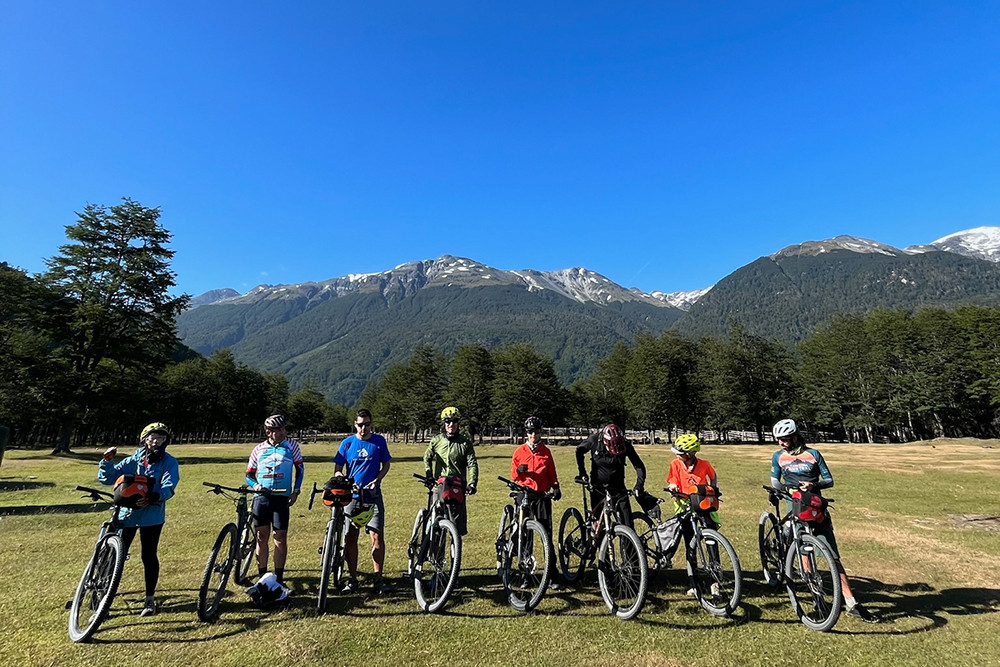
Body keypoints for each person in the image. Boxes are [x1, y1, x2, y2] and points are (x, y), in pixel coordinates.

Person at [770, 418, 879, 623]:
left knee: (832, 554)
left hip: (814, 505)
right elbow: (775, 481)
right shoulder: (778, 457)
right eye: (779, 440)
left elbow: (829, 480)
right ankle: (816, 596)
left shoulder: (813, 454)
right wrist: (787, 490)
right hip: (793, 504)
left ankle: (851, 603)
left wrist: (813, 485)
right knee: (804, 552)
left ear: (795, 437)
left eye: (784, 439)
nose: (780, 443)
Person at [98, 422, 180, 617]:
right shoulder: (132, 460)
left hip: (152, 516)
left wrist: (155, 496)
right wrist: (107, 461)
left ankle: (150, 599)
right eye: (153, 437)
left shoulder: (169, 461)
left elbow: (170, 484)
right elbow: (109, 478)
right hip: (126, 516)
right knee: (115, 556)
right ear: (144, 439)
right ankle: (102, 596)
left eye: (161, 438)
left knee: (148, 556)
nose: (156, 441)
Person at [333, 408, 392, 595]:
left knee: (377, 536)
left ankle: (378, 578)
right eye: (360, 424)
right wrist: (342, 478)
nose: (363, 428)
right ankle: (352, 578)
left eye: (367, 424)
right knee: (351, 536)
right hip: (352, 497)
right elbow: (338, 468)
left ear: (371, 424)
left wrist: (378, 479)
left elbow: (386, 464)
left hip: (373, 496)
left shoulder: (379, 442)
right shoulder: (347, 443)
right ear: (355, 424)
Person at [246, 414, 304, 586]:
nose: (282, 432)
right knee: (261, 536)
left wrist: (296, 491)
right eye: (278, 430)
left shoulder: (291, 445)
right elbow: (249, 474)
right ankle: (262, 576)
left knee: (280, 536)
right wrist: (255, 486)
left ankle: (279, 578)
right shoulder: (258, 449)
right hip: (261, 498)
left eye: (283, 429)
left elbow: (300, 469)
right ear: (268, 432)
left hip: (281, 497)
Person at [666, 433, 720, 597]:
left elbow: (713, 476)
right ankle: (693, 582)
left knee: (712, 543)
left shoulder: (704, 464)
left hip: (703, 506)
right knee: (690, 544)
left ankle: (715, 582)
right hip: (683, 507)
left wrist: (712, 490)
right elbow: (672, 480)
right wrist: (673, 486)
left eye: (680, 452)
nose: (677, 454)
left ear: (689, 454)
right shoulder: (675, 464)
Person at [511, 415, 561, 586]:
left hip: (541, 495)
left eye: (537, 432)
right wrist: (519, 470)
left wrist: (555, 486)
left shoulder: (546, 452)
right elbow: (513, 476)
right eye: (531, 432)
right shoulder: (519, 452)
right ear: (527, 433)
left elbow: (552, 472)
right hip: (525, 494)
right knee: (525, 536)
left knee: (546, 535)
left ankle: (552, 574)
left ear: (540, 433)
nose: (534, 435)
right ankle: (525, 574)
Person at [575, 423, 646, 528]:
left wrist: (639, 485)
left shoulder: (625, 445)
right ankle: (596, 540)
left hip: (618, 488)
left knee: (627, 524)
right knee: (599, 525)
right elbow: (579, 451)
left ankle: (628, 542)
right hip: (598, 487)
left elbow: (639, 466)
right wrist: (582, 472)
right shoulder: (594, 440)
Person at [423, 406, 479, 535]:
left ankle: (456, 552)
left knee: (458, 528)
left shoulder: (465, 443)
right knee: (434, 524)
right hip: (439, 484)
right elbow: (427, 457)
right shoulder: (436, 440)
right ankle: (431, 547)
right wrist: (429, 475)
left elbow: (472, 464)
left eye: (454, 421)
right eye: (448, 421)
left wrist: (472, 483)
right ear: (444, 423)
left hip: (457, 486)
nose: (451, 424)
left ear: (458, 423)